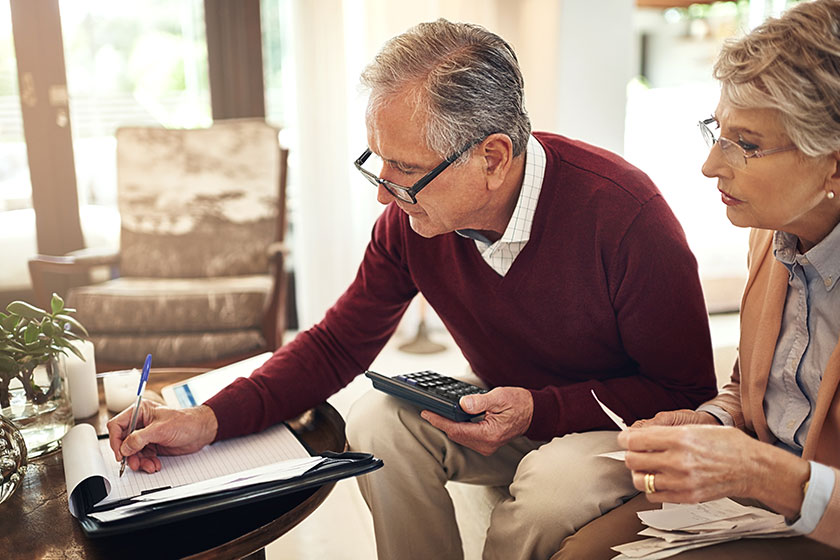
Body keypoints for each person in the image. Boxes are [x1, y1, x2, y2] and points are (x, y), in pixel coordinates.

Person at [107, 19, 717, 559]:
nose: (383, 191)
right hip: (512, 404)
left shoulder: (626, 216)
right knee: (375, 422)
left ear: (494, 157)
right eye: (377, 162)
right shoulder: (411, 221)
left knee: (553, 482)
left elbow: (685, 393)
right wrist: (208, 419)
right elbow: (336, 345)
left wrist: (541, 409)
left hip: (615, 427)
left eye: (403, 169)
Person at [553, 2, 840, 558]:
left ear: (833, 164)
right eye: (718, 131)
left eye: (748, 145)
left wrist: (760, 472)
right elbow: (759, 388)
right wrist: (710, 418)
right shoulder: (772, 232)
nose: (711, 165)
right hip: (756, 502)